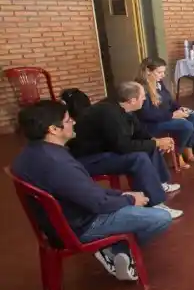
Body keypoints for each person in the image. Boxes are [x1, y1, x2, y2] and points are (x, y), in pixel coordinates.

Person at [11, 101, 174, 281]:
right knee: (160, 217)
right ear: (53, 130)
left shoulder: (29, 154)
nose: (73, 121)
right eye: (67, 120)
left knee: (131, 202)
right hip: (79, 227)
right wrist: (130, 200)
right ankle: (117, 251)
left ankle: (116, 249)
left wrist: (121, 194)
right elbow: (98, 204)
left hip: (58, 222)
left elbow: (86, 190)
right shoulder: (57, 164)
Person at [65, 82, 183, 219]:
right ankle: (156, 204)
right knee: (139, 157)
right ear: (132, 100)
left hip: (107, 149)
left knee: (150, 145)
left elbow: (140, 133)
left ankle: (160, 183)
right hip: (90, 158)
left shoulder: (123, 107)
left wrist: (156, 141)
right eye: (142, 97)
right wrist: (155, 142)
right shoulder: (109, 113)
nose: (145, 99)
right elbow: (123, 146)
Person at [136, 57, 194, 168]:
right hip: (151, 123)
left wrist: (180, 108)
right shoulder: (140, 88)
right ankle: (178, 154)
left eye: (164, 72)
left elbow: (170, 101)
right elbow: (146, 114)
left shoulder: (159, 83)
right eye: (159, 72)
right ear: (148, 71)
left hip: (165, 116)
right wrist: (172, 115)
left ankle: (188, 148)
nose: (163, 75)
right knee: (185, 125)